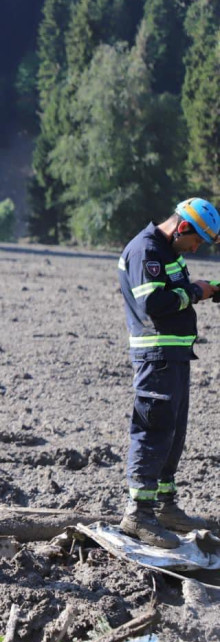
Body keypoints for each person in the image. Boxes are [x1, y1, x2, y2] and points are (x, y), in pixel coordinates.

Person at [116, 198, 220, 548]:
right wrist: (195, 291)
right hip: (156, 354)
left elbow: (176, 294)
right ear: (183, 228)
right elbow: (154, 303)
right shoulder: (145, 250)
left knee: (173, 433)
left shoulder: (169, 251)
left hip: (174, 353)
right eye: (198, 241)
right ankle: (138, 515)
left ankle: (164, 505)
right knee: (153, 430)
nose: (197, 249)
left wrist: (210, 290)